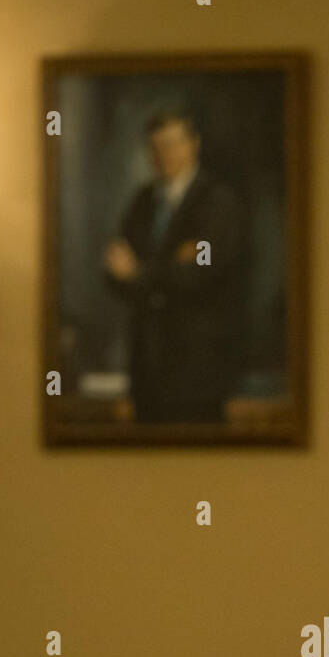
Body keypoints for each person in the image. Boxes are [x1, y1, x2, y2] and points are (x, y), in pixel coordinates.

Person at [104, 107, 247, 423]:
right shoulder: (143, 201)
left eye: (171, 143)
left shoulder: (216, 200)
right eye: (155, 146)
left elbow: (201, 270)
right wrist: (168, 265)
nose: (162, 154)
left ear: (192, 144)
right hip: (146, 367)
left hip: (197, 368)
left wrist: (141, 272)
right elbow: (115, 268)